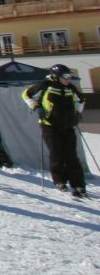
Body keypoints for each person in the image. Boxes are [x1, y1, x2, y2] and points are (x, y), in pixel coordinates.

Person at [23, 64, 87, 197]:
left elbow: (81, 100)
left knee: (72, 156)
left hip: (68, 126)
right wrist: (36, 107)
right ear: (56, 76)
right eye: (65, 76)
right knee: (56, 153)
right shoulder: (45, 85)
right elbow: (26, 95)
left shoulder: (70, 88)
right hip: (49, 125)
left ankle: (78, 184)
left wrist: (76, 114)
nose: (68, 79)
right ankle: (60, 181)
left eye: (69, 76)